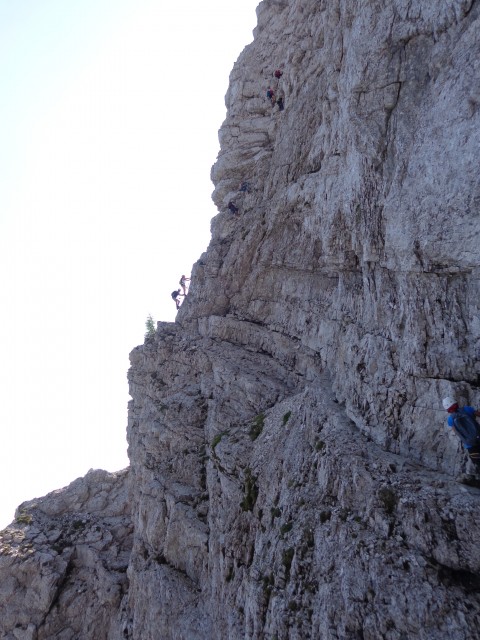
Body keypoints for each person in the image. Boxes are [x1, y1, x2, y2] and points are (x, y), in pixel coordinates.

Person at [443, 396, 480, 472]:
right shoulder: (467, 409)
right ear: (455, 403)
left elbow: (457, 432)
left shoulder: (450, 420)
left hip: (470, 445)